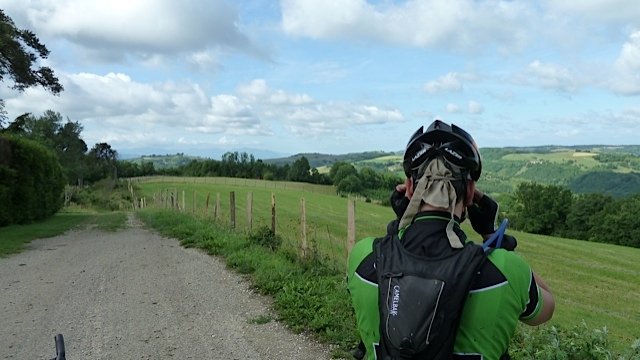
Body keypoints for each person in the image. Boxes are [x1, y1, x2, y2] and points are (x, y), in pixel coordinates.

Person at [347, 120, 555, 360]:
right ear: (469, 192)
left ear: (409, 188)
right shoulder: (506, 270)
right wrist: (493, 236)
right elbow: (546, 308)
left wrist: (399, 228)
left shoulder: (363, 256)